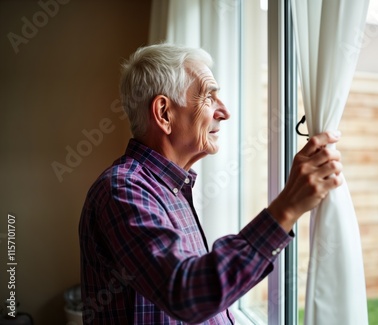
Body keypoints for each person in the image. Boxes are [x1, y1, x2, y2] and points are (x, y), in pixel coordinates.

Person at [79, 43, 343, 325]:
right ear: (164, 113)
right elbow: (186, 292)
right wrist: (286, 208)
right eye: (208, 96)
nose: (225, 112)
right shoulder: (123, 190)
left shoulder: (169, 189)